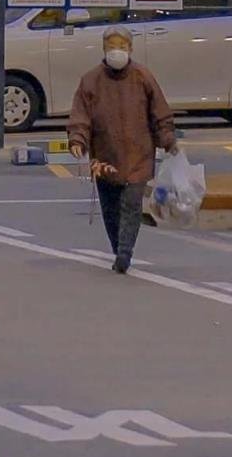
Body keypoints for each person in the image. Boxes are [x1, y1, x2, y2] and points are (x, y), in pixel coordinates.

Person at [68, 25, 176, 274]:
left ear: (131, 49)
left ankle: (125, 253)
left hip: (139, 155)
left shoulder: (143, 77)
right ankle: (118, 248)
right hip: (105, 156)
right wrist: (77, 139)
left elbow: (160, 113)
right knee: (110, 208)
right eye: (112, 47)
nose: (117, 51)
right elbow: (81, 116)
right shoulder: (91, 80)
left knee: (131, 205)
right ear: (104, 49)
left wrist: (168, 139)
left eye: (122, 46)